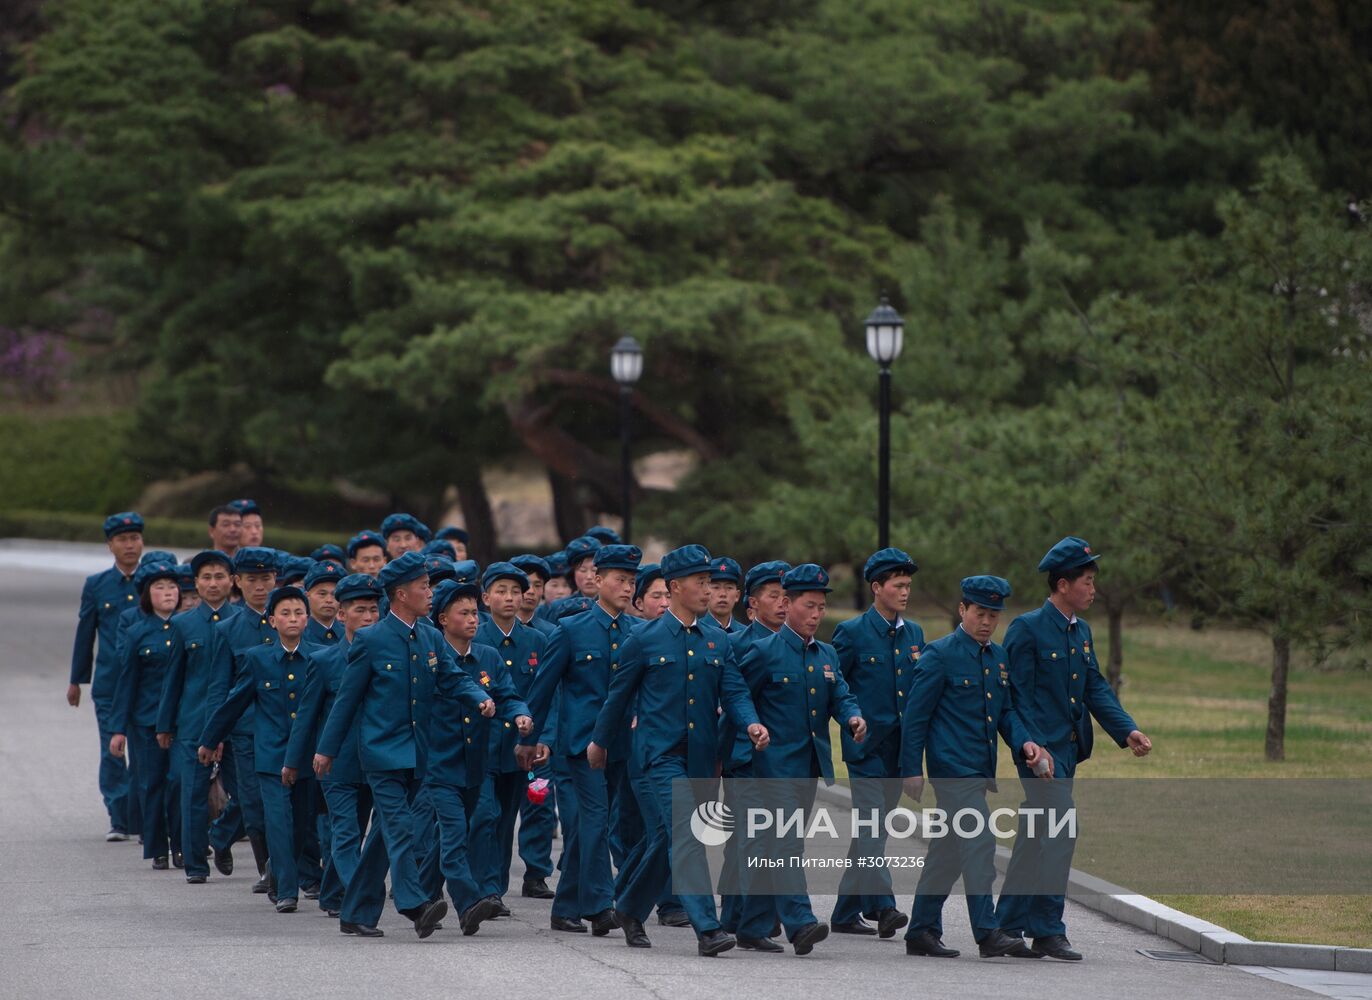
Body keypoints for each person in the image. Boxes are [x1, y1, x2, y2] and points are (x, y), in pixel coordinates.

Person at [587, 544, 768, 957]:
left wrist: (751, 722)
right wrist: (599, 742)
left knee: (665, 842)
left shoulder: (717, 643)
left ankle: (630, 907)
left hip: (700, 758)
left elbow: (735, 691)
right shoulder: (642, 639)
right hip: (656, 757)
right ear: (674, 587)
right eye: (700, 583)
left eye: (710, 582)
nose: (708, 590)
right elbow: (617, 699)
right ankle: (708, 928)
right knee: (686, 834)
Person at [313, 551, 493, 939]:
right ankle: (415, 904)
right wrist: (326, 750)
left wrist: (477, 695)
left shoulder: (428, 635)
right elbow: (346, 701)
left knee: (382, 835)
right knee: (399, 826)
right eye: (423, 587)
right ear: (400, 594)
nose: (431, 593)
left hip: (418, 753)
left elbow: (451, 677)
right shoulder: (371, 640)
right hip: (380, 752)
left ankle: (355, 912)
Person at [994, 537, 1153, 961]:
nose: (1093, 588)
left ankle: (1007, 924)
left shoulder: (1081, 631)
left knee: (1036, 836)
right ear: (1063, 584)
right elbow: (1014, 697)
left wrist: (1127, 730)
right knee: (1062, 830)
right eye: (1086, 580)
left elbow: (1094, 686)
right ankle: (1047, 928)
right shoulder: (1027, 629)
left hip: (1068, 749)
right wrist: (1030, 746)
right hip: (1039, 752)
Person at [898, 575, 1049, 961]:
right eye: (979, 612)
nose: (986, 621)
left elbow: (1007, 712)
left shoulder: (998, 658)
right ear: (963, 610)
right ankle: (988, 932)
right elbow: (916, 718)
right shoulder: (939, 654)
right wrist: (910, 768)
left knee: (946, 855)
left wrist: (1025, 742)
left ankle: (921, 931)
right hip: (952, 771)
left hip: (978, 772)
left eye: (993, 615)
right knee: (980, 844)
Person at [734, 563, 865, 957]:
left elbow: (840, 694)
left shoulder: (826, 654)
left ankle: (753, 926)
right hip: (770, 767)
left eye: (822, 608)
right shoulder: (762, 651)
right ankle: (801, 922)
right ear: (788, 605)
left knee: (776, 846)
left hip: (808, 766)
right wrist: (752, 728)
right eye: (809, 606)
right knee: (786, 845)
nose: (816, 615)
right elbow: (738, 697)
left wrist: (853, 717)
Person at [515, 543, 640, 936]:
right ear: (598, 581)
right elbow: (543, 688)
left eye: (632, 582)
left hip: (622, 744)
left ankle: (566, 906)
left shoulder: (636, 631)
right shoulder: (571, 629)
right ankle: (601, 906)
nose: (627, 588)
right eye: (620, 580)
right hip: (580, 745)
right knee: (596, 822)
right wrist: (529, 737)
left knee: (598, 825)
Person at [420, 578, 532, 934]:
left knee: (474, 823)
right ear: (442, 619)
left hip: (476, 762)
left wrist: (519, 714)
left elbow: (507, 693)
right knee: (455, 830)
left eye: (474, 613)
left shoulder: (488, 656)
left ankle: (420, 899)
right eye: (464, 613)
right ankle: (469, 902)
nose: (472, 619)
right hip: (439, 762)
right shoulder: (430, 659)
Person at [200, 586, 315, 912]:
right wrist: (210, 740)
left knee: (301, 825)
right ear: (272, 621)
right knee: (277, 821)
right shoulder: (258, 658)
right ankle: (288, 892)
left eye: (298, 612)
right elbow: (233, 703)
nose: (292, 619)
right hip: (270, 755)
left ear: (307, 619)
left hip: (308, 755)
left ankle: (279, 874)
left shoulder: (319, 657)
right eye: (285, 613)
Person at [830, 547, 923, 939]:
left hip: (897, 752)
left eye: (907, 585)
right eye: (898, 585)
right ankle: (883, 906)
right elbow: (834, 685)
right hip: (865, 749)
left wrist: (913, 763)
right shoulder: (851, 633)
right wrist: (849, 720)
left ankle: (844, 912)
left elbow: (917, 697)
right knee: (870, 826)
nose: (905, 592)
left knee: (873, 832)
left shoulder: (914, 633)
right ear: (876, 587)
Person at [285, 573, 381, 917]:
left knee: (365, 831)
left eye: (373, 610)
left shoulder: (387, 655)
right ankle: (360, 897)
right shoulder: (325, 660)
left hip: (376, 761)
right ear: (341, 615)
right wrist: (293, 762)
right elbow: (307, 717)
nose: (369, 617)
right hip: (336, 762)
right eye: (360, 610)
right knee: (344, 831)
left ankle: (331, 894)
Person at [470, 562, 553, 907]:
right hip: (480, 745)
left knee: (505, 820)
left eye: (516, 591)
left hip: (520, 747)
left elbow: (549, 694)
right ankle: (483, 888)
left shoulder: (538, 640)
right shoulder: (473, 637)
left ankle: (496, 889)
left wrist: (543, 737)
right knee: (484, 814)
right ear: (485, 597)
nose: (509, 598)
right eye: (501, 591)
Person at [156, 549, 239, 883]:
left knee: (245, 794)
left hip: (237, 722)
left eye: (220, 576)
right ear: (197, 583)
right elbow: (172, 679)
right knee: (191, 794)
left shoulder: (245, 621)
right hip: (192, 720)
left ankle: (221, 836)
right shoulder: (181, 624)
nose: (213, 583)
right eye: (206, 577)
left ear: (233, 581)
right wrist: (165, 724)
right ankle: (195, 864)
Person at [718, 559, 789, 936]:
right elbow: (727, 702)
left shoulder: (799, 647)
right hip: (744, 758)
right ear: (753, 604)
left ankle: (733, 913)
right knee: (752, 838)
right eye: (774, 596)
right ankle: (755, 919)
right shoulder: (736, 644)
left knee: (747, 841)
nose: (782, 603)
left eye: (786, 596)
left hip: (784, 762)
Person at [205, 546, 279, 894]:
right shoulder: (229, 630)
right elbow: (219, 687)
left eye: (266, 578)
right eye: (252, 579)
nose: (260, 586)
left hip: (285, 728)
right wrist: (215, 734)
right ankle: (268, 868)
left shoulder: (292, 620)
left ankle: (221, 834)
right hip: (246, 730)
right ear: (238, 582)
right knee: (254, 801)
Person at [68, 511, 144, 841]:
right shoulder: (97, 585)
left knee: (144, 750)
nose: (130, 545)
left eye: (135, 538)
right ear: (110, 545)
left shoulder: (154, 582)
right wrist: (76, 680)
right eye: (123, 540)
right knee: (112, 749)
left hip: (147, 681)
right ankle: (119, 816)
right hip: (110, 681)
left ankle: (143, 815)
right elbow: (86, 633)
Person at [108, 560, 182, 869]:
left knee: (180, 782)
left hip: (181, 719)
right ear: (146, 595)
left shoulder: (188, 625)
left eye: (172, 586)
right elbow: (127, 681)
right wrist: (118, 728)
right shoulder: (137, 632)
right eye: (159, 587)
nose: (167, 592)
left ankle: (181, 845)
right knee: (152, 783)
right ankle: (157, 847)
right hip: (146, 720)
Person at [539, 535, 601, 621]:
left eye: (594, 570)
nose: (589, 576)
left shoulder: (613, 604)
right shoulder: (560, 606)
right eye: (583, 570)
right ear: (573, 573)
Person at [303, 561, 344, 645]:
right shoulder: (297, 637)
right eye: (322, 594)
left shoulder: (350, 634)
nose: (329, 600)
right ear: (307, 596)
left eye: (334, 594)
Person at [706, 557, 743, 632]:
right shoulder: (695, 633)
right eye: (716, 587)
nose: (723, 594)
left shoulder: (746, 635)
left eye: (729, 588)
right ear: (705, 593)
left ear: (737, 595)